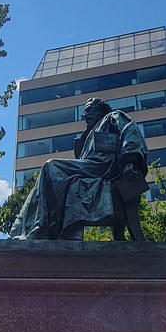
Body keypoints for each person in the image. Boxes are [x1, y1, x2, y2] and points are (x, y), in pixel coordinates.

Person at [11, 97, 148, 239]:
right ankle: (21, 229)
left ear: (101, 111)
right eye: (85, 112)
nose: (85, 115)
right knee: (48, 178)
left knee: (51, 166)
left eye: (90, 111)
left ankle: (40, 228)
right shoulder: (87, 134)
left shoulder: (113, 117)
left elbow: (130, 131)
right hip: (89, 170)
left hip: (102, 167)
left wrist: (130, 160)